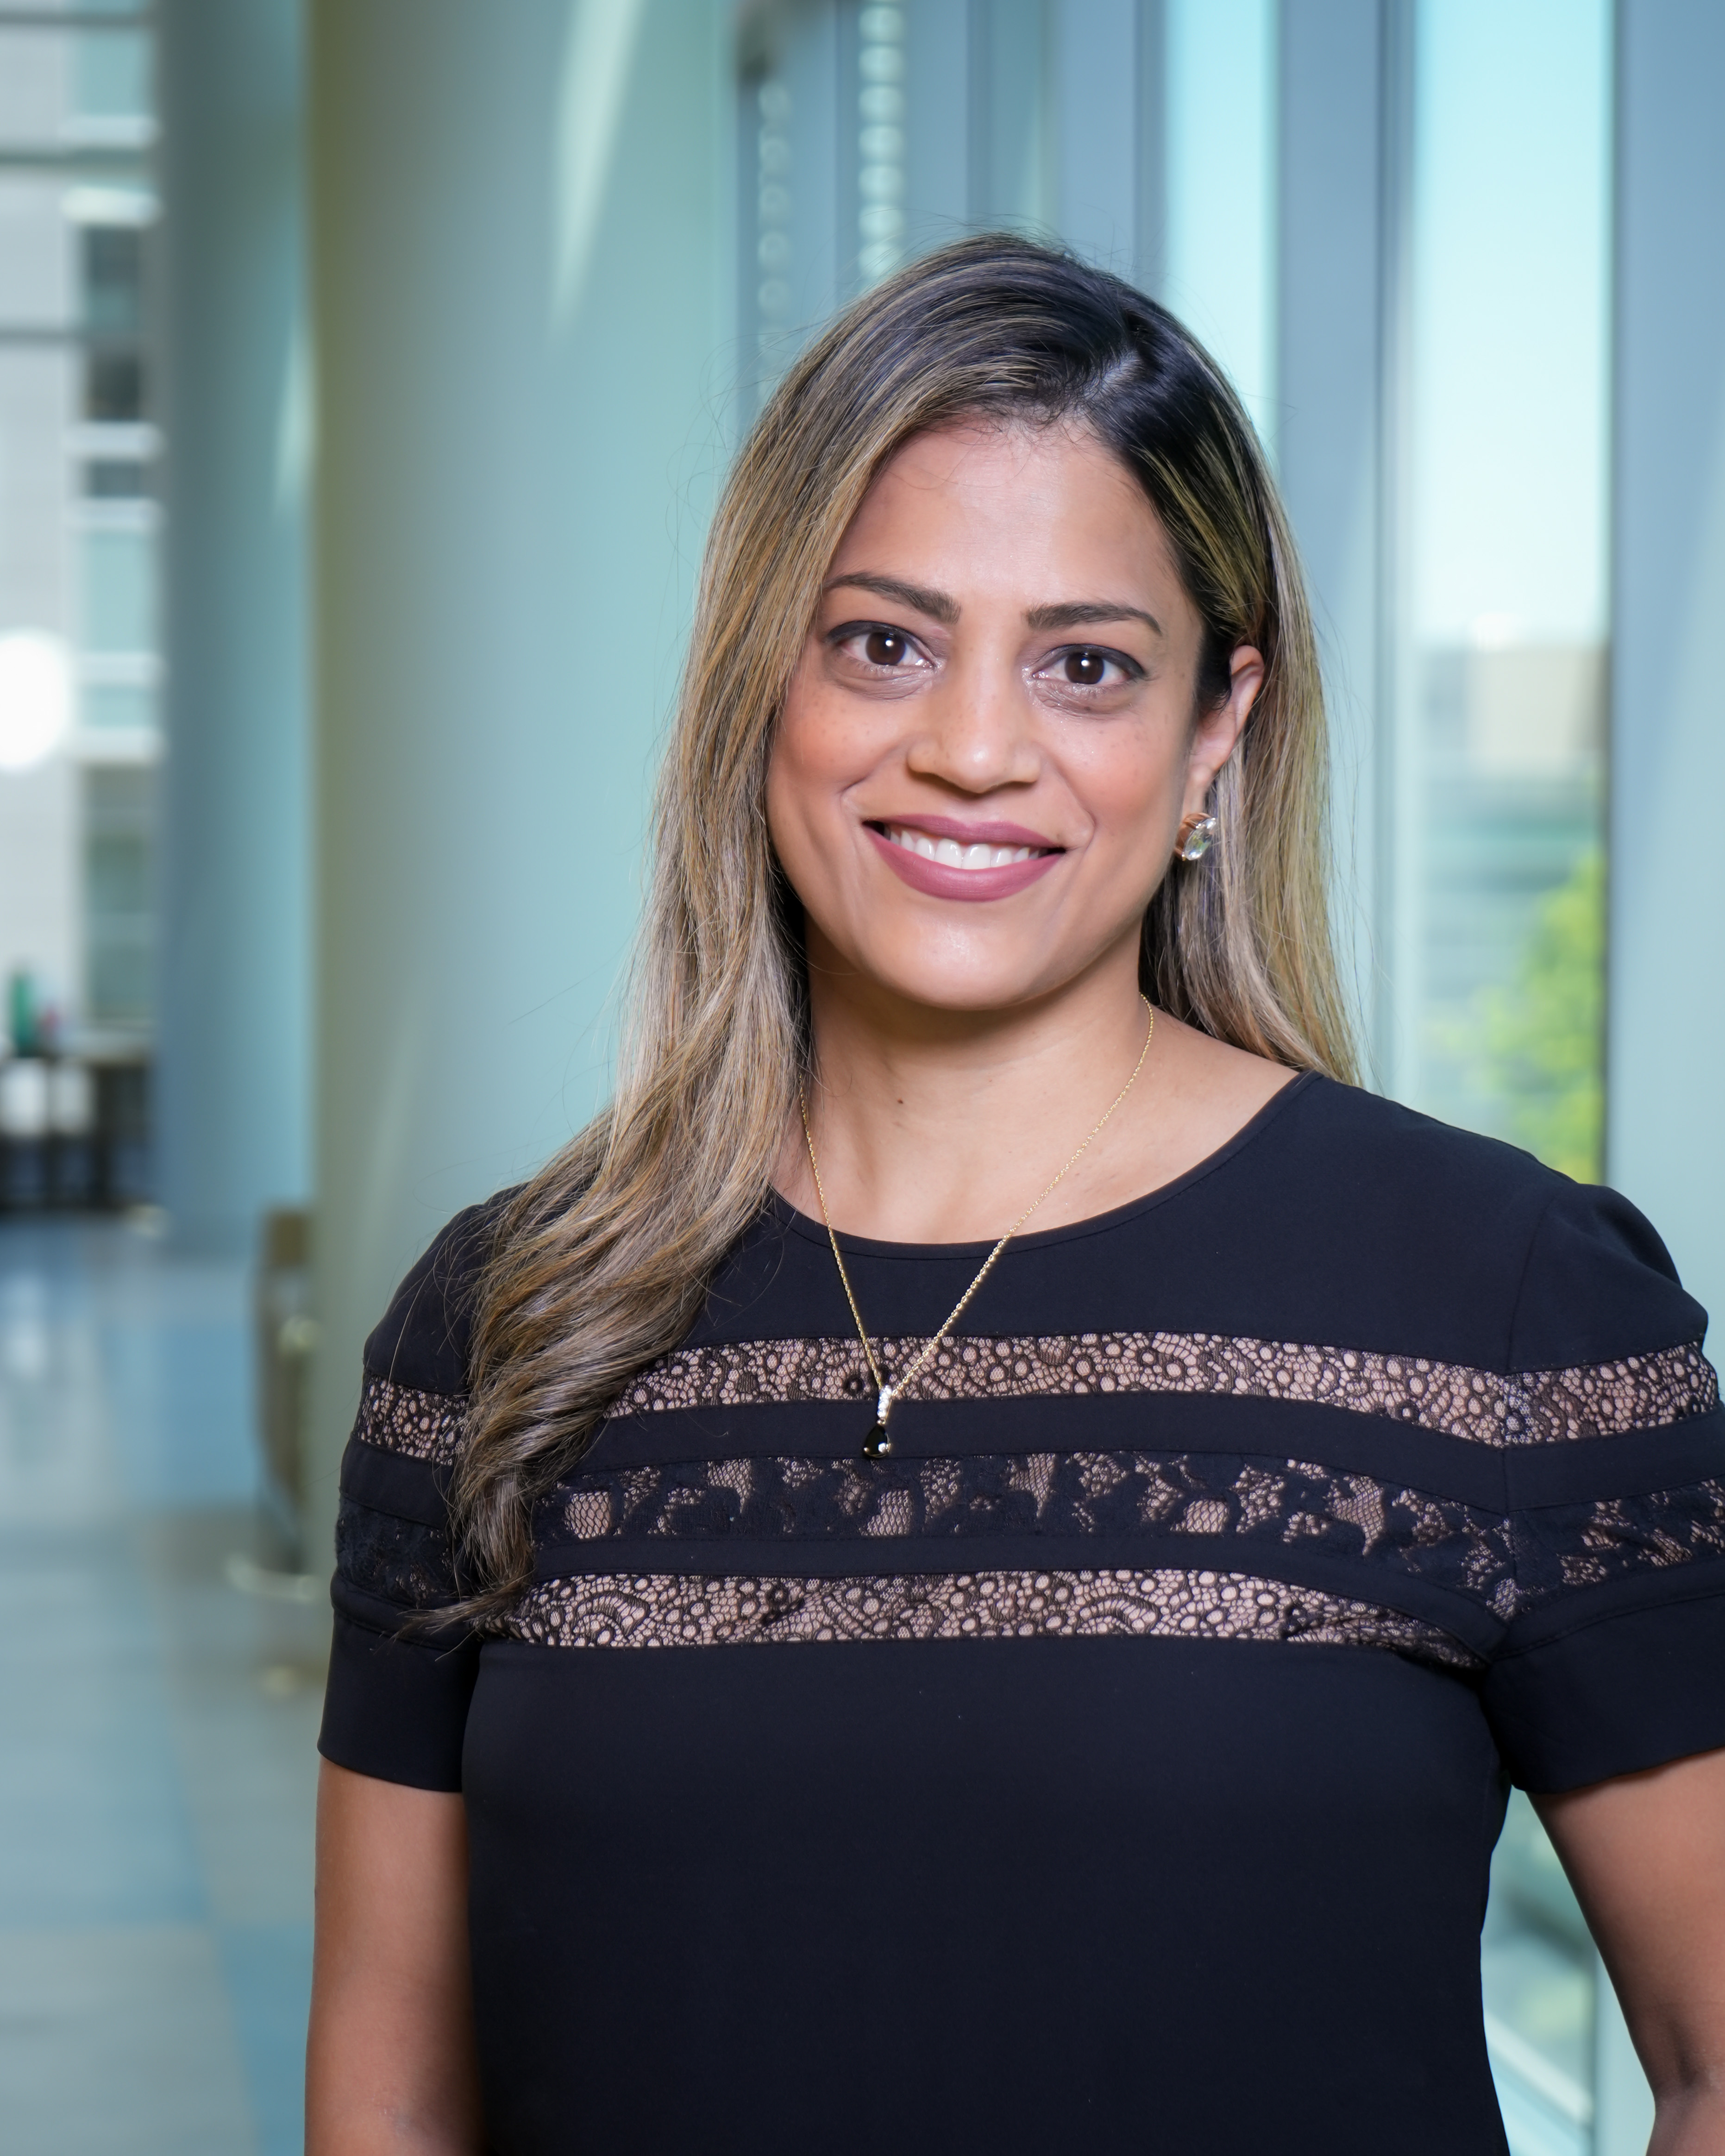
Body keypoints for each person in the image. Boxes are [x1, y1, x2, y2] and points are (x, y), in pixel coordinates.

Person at [306, 237, 1725, 2155]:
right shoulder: (498, 1327)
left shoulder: (1509, 1306)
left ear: (1213, 728)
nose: (972, 749)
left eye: (1085, 667)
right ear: (760, 680)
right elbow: (390, 2102)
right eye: (882, 643)